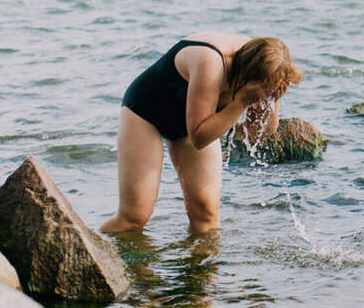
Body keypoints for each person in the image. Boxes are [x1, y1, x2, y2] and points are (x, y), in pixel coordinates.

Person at [100, 34, 302, 235]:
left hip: (197, 122)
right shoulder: (211, 61)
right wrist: (241, 102)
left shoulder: (270, 71)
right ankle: (85, 247)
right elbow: (199, 137)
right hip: (146, 113)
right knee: (134, 217)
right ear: (246, 74)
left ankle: (200, 266)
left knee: (206, 215)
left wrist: (272, 97)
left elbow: (258, 133)